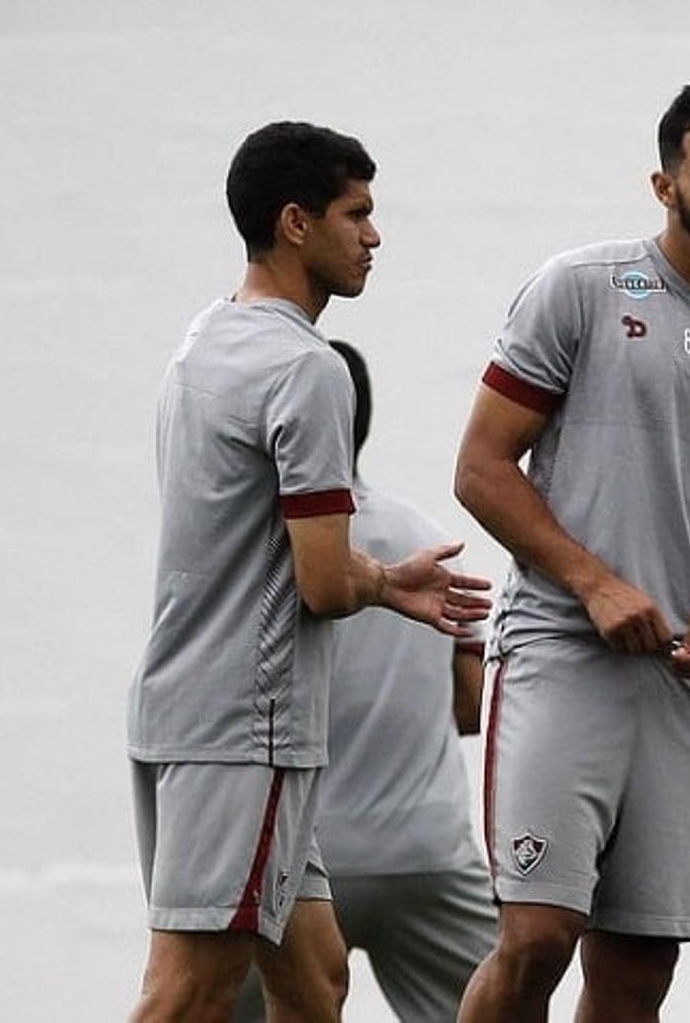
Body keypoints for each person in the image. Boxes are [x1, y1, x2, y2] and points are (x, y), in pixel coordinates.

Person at [127, 121, 490, 1023]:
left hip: (184, 713)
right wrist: (387, 583)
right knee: (187, 994)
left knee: (316, 977)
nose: (374, 235)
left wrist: (367, 575)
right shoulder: (307, 367)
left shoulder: (206, 339)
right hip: (248, 736)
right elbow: (325, 585)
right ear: (296, 223)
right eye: (356, 213)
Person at [451, 82, 690, 1023]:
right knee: (538, 937)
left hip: (680, 681)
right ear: (664, 182)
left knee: (640, 969)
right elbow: (480, 467)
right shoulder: (582, 289)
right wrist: (594, 583)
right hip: (564, 656)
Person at [231, 340, 499, 1022]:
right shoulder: (425, 535)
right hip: (428, 851)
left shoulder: (259, 547)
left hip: (300, 855)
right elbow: (470, 707)